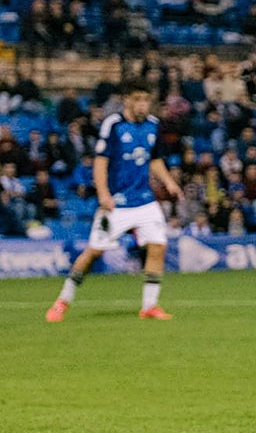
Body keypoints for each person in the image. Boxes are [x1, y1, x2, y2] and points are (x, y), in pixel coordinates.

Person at [46, 79, 183, 321]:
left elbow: (154, 159)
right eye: (138, 99)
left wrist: (169, 182)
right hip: (117, 202)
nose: (143, 104)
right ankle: (62, 301)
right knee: (94, 252)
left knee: (158, 246)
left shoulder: (152, 125)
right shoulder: (114, 125)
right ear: (126, 100)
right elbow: (101, 161)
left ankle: (149, 306)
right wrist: (103, 193)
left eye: (146, 100)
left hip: (145, 200)